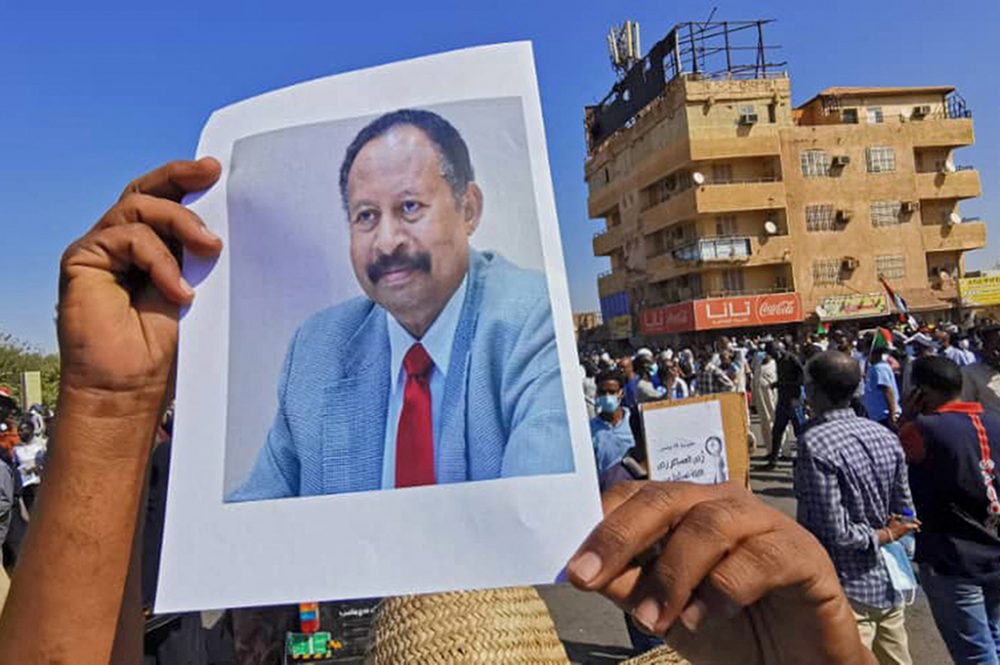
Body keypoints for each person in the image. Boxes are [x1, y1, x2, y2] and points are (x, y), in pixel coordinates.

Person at [232, 109, 573, 501]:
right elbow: (252, 528)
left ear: (468, 210)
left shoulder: (533, 319)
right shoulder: (316, 351)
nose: (387, 241)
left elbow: (542, 521)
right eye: (366, 216)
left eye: (409, 207)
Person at [795, 351, 917, 665]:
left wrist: (886, 534)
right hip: (888, 578)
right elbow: (906, 513)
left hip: (843, 584)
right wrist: (892, 534)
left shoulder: (815, 443)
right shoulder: (884, 436)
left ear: (814, 391)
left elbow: (837, 532)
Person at [899, 356, 1000, 664]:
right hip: (995, 554)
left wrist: (906, 416)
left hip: (952, 559)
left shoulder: (921, 430)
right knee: (994, 640)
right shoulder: (995, 422)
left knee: (975, 654)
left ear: (920, 391)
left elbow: (896, 460)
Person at [588, 369, 635, 487]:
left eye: (612, 392)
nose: (607, 396)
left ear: (621, 393)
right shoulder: (589, 430)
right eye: (603, 392)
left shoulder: (635, 420)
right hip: (609, 497)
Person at [765, 342, 804, 469]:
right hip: (782, 400)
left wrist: (787, 384)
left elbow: (802, 378)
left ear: (779, 350)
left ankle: (803, 459)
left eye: (773, 353)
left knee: (800, 432)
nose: (772, 357)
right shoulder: (778, 360)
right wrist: (777, 384)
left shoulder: (793, 359)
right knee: (777, 431)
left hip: (794, 400)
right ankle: (773, 461)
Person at [962, 325, 1000, 416]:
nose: (997, 353)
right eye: (996, 347)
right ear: (984, 348)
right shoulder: (970, 373)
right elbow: (967, 408)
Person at [864, 338, 901, 430]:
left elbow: (888, 391)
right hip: (876, 415)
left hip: (884, 415)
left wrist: (892, 414)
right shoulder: (873, 367)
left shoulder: (879, 368)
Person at [12, 417, 46, 511]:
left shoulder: (41, 447)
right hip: (25, 487)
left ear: (31, 430)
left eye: (22, 430)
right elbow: (15, 466)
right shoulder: (16, 449)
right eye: (19, 430)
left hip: (39, 484)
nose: (20, 433)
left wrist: (35, 467)